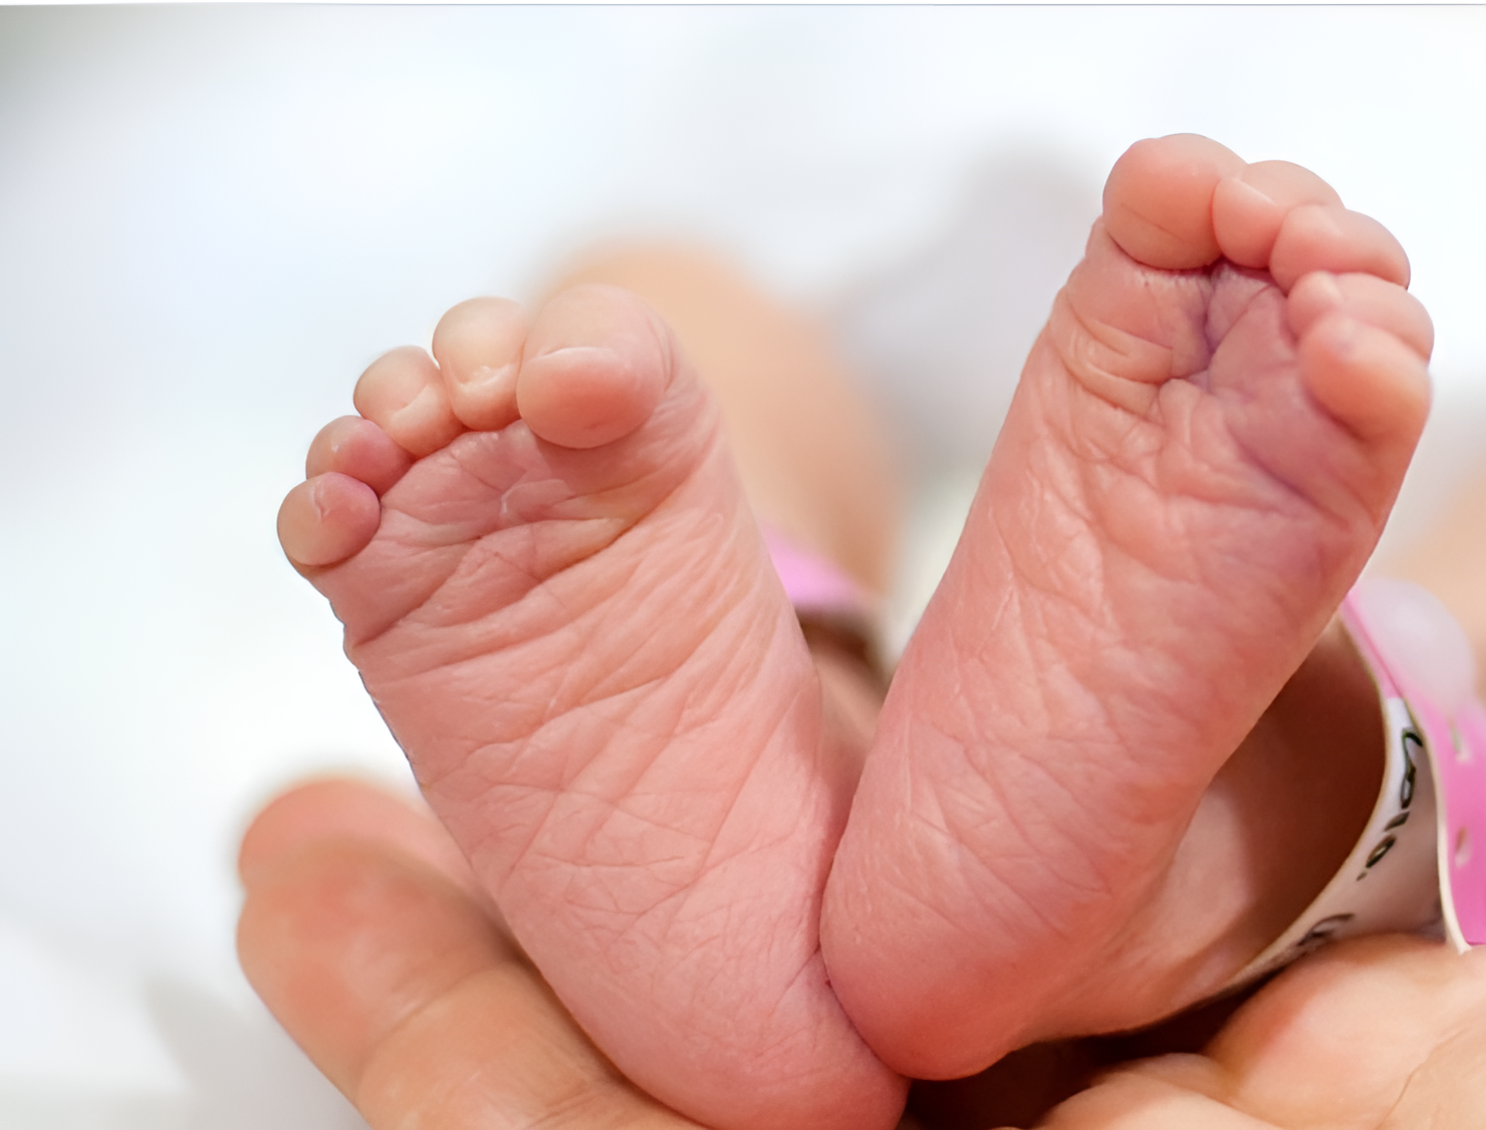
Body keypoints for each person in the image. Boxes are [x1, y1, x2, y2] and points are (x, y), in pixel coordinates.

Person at [268, 134, 1467, 1128]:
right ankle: (1134, 859)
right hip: (1326, 343)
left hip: (937, 273)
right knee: (625, 319)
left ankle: (821, 726)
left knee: (659, 289)